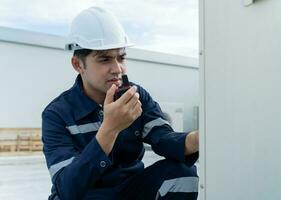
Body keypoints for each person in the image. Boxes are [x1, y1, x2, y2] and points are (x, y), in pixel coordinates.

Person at [42, 7, 199, 200]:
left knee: (183, 173)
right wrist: (110, 128)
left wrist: (200, 138)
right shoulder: (57, 114)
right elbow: (68, 188)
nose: (117, 68)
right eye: (105, 59)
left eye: (121, 57)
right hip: (87, 195)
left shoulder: (135, 95)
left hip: (127, 190)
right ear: (78, 65)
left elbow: (164, 138)